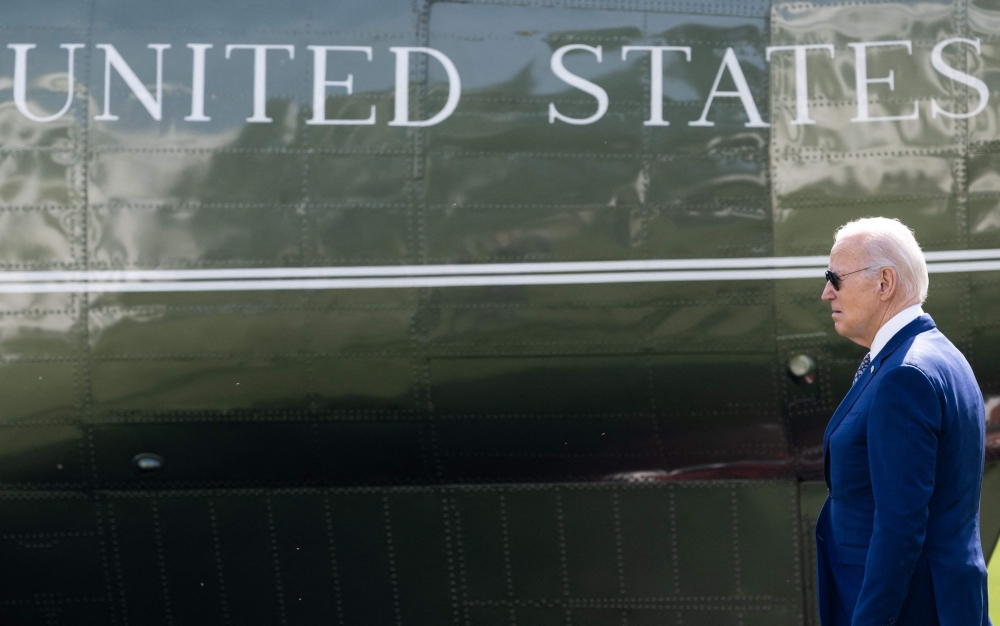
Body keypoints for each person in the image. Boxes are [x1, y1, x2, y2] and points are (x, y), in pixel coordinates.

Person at [817, 217, 990, 626]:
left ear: (884, 283)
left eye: (834, 278)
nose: (826, 293)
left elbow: (899, 529)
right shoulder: (940, 355)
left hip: (909, 611)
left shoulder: (903, 375)